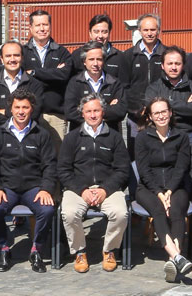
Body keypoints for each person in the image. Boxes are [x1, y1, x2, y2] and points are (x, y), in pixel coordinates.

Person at [0, 90, 59, 273]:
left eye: (25, 107)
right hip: (6, 188)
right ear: (11, 109)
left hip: (34, 188)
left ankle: (36, 250)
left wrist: (46, 189)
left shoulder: (41, 134)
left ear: (32, 109)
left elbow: (50, 165)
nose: (21, 111)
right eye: (17, 107)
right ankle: (3, 248)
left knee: (47, 210)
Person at [58, 94, 132, 273]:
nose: (92, 115)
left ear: (103, 112)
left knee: (121, 213)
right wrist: (81, 190)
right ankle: (80, 252)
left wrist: (105, 189)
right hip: (78, 189)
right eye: (88, 111)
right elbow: (63, 170)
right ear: (82, 113)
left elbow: (123, 170)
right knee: (69, 213)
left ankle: (109, 250)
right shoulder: (71, 138)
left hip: (107, 188)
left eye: (96, 111)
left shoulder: (114, 137)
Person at [132, 97, 192, 283]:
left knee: (176, 211)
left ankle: (173, 259)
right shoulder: (142, 137)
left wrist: (169, 191)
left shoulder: (181, 137)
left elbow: (181, 167)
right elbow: (143, 170)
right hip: (148, 188)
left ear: (170, 112)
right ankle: (177, 257)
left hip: (177, 186)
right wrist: (159, 193)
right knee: (158, 211)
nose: (160, 116)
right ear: (150, 117)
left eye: (163, 111)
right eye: (156, 113)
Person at [22, 10, 75, 137]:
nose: (42, 29)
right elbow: (21, 78)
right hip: (28, 115)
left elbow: (64, 75)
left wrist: (34, 72)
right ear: (31, 28)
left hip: (55, 116)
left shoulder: (62, 52)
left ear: (50, 26)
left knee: (58, 150)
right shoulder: (22, 52)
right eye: (38, 25)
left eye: (45, 25)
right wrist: (53, 74)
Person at [0, 42, 45, 135]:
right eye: (8, 56)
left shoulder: (35, 85)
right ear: (1, 59)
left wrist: (6, 112)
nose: (12, 59)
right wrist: (20, 117)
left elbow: (34, 114)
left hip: (28, 135)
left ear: (22, 57)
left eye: (16, 55)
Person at [65, 41, 128, 133]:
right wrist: (106, 109)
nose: (95, 63)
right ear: (84, 62)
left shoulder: (114, 83)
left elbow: (121, 111)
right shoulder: (75, 82)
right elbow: (70, 112)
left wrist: (85, 110)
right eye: (91, 59)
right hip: (81, 134)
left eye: (99, 59)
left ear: (104, 61)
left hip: (108, 134)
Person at [140, 46, 192, 134]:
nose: (174, 67)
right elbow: (151, 110)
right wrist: (185, 105)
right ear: (162, 65)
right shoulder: (153, 88)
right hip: (160, 134)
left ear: (183, 65)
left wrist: (163, 104)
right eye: (170, 64)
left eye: (177, 64)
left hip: (187, 133)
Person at [121, 14, 167, 117]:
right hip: (136, 115)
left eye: (153, 30)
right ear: (139, 31)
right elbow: (124, 87)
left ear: (158, 30)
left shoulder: (167, 55)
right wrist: (136, 109)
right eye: (146, 30)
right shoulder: (128, 55)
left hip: (162, 114)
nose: (149, 33)